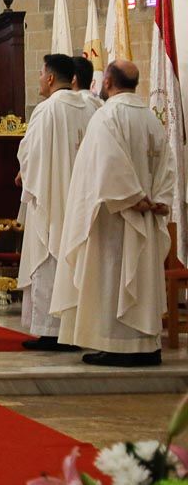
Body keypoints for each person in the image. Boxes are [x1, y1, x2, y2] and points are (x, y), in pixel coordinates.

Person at [50, 60, 174, 367]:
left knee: (112, 275)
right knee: (140, 277)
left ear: (107, 83)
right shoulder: (150, 118)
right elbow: (167, 165)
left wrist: (131, 197)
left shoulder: (107, 116)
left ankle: (119, 345)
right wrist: (157, 199)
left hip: (114, 216)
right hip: (143, 212)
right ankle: (147, 344)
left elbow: (104, 163)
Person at [15, 54, 93, 351]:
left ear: (50, 78)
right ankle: (77, 327)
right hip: (81, 200)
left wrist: (25, 175)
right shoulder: (91, 107)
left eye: (40, 73)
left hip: (51, 197)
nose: (38, 79)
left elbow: (30, 155)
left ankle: (51, 330)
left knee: (49, 259)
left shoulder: (46, 110)